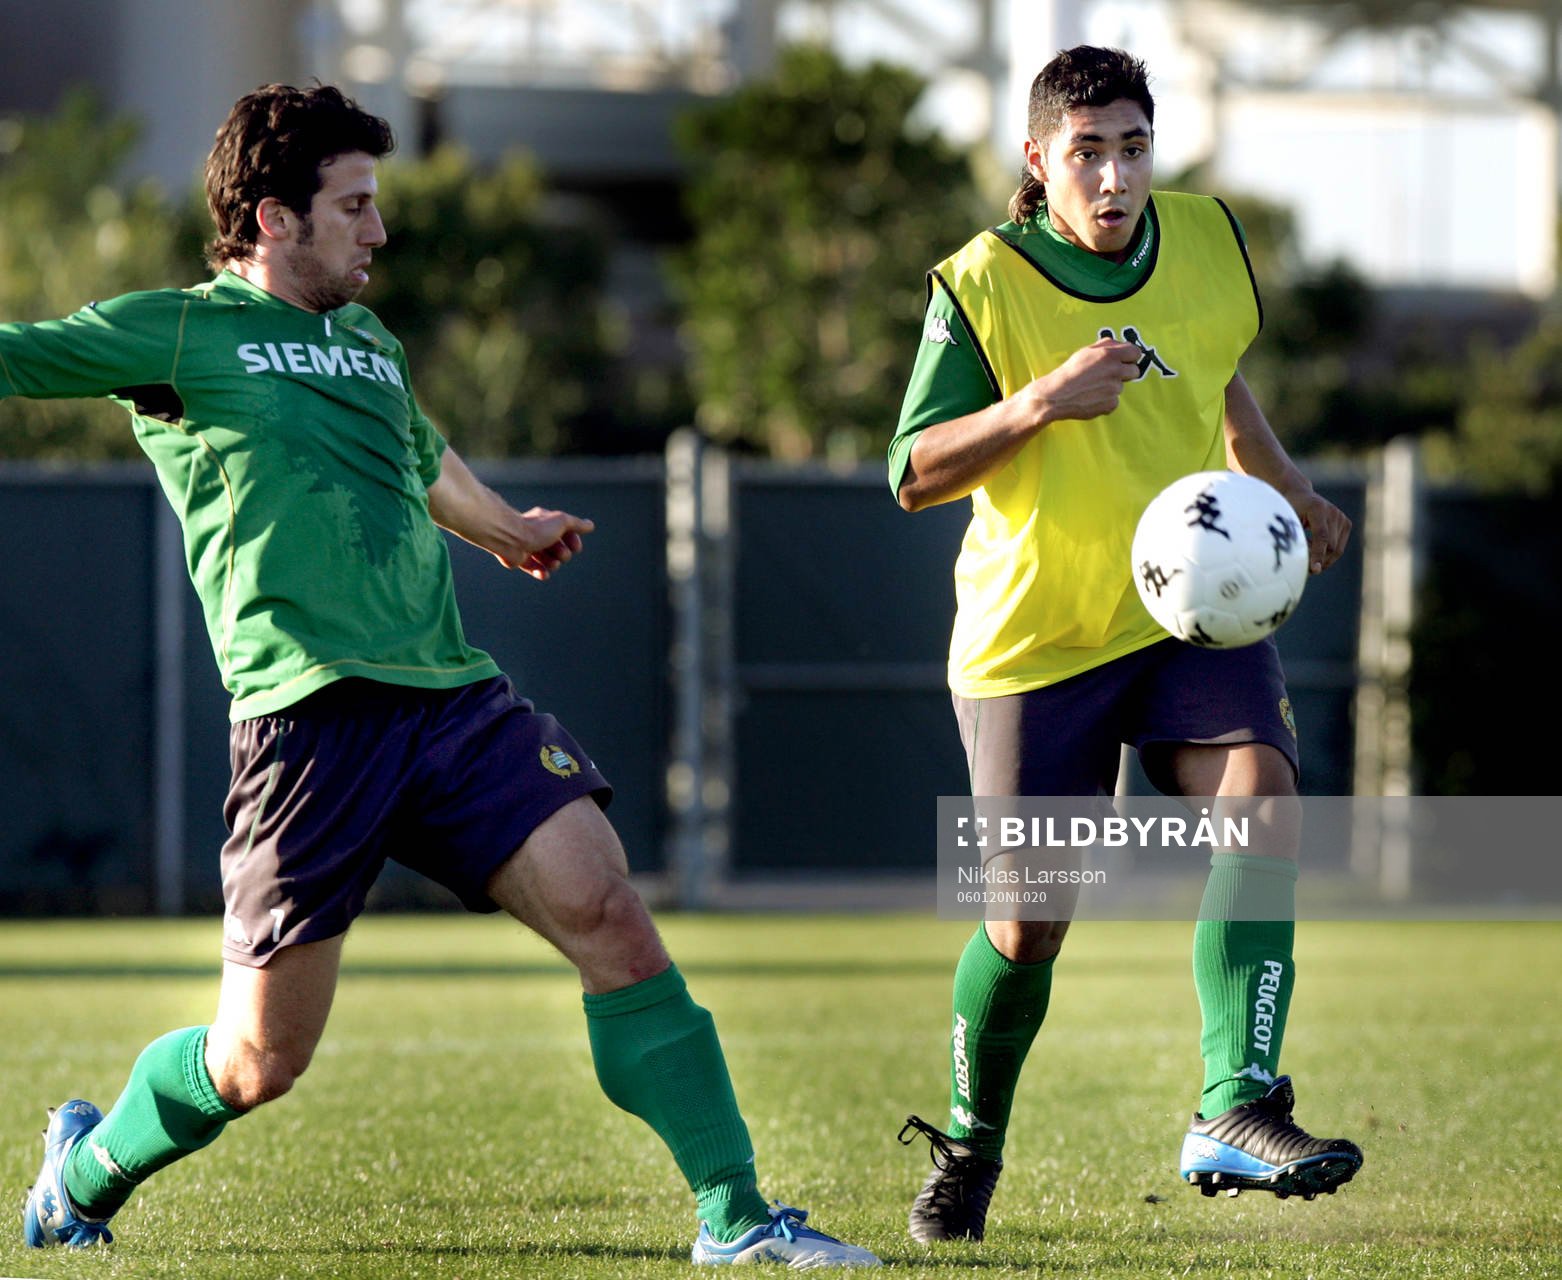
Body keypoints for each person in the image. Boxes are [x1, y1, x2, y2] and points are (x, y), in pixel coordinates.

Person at [9, 83, 877, 1269]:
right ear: (272, 217)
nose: (378, 229)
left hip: (450, 698)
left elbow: (423, 460)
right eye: (354, 205)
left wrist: (508, 528)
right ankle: (88, 1167)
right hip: (305, 722)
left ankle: (735, 1214)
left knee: (612, 916)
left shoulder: (369, 343)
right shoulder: (175, 333)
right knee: (257, 1060)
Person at [888, 46, 1363, 1243]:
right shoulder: (981, 282)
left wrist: (1292, 489)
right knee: (1025, 924)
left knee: (1262, 794)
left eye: (1132, 147)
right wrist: (1038, 399)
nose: (1112, 176)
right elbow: (910, 471)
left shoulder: (1204, 238)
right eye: (1086, 151)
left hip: (1183, 608)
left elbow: (1218, 381)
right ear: (1039, 158)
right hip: (1034, 638)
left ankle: (1234, 1100)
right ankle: (969, 1138)